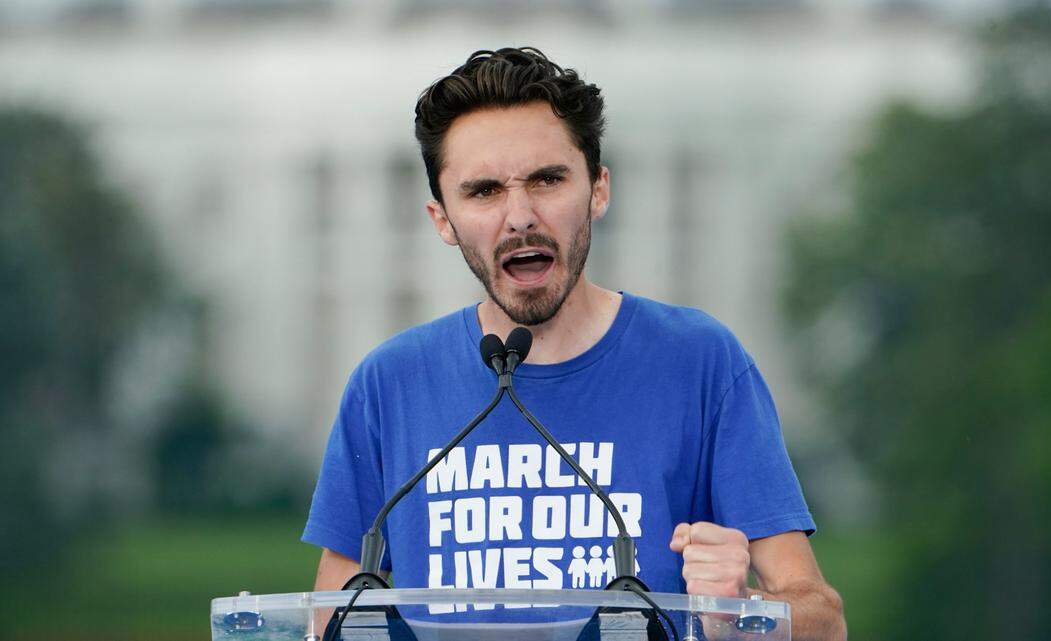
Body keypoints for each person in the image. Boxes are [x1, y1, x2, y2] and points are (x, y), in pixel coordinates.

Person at [303, 47, 845, 640]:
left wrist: (740, 616)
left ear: (598, 190)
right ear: (443, 219)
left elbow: (823, 619)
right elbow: (331, 619)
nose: (520, 217)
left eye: (547, 179)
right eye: (483, 191)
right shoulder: (389, 382)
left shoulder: (701, 362)